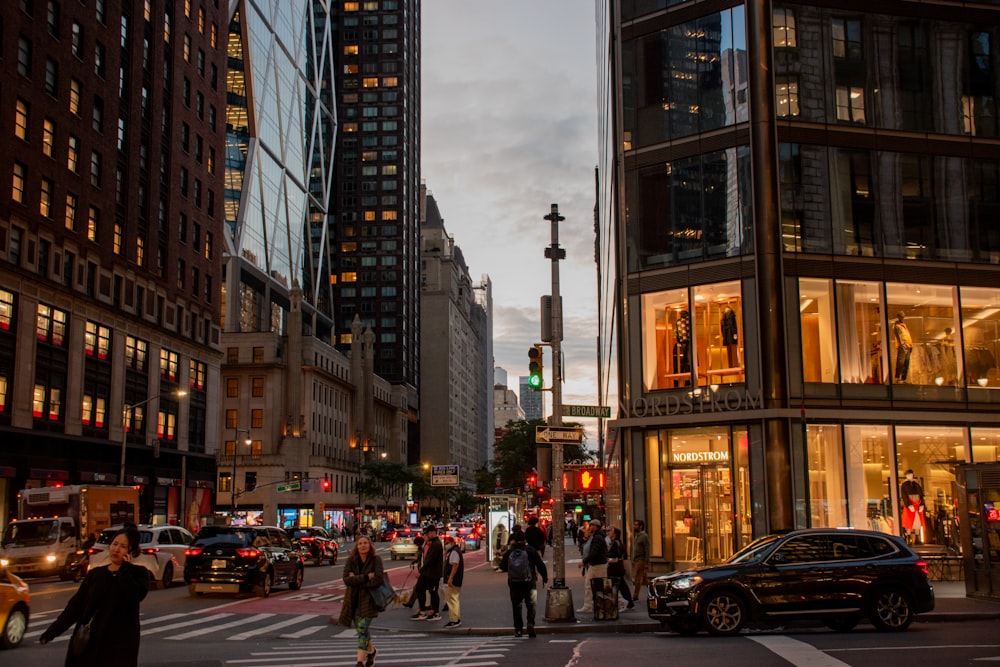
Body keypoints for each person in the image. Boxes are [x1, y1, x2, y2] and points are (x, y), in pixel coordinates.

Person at [39, 524, 148, 666]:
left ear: (131, 551)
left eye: (123, 546)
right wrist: (51, 633)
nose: (116, 549)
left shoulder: (138, 574)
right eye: (114, 544)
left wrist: (125, 570)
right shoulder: (96, 574)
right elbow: (75, 607)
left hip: (119, 647)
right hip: (91, 642)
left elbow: (135, 595)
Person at [336, 535, 384, 667]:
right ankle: (372, 652)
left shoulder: (376, 560)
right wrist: (365, 577)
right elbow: (346, 579)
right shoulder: (351, 560)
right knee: (362, 630)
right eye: (360, 543)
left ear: (370, 545)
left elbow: (379, 579)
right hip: (353, 600)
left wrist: (357, 581)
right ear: (356, 546)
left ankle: (359, 662)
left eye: (365, 543)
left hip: (369, 600)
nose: (363, 545)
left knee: (362, 629)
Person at [499, 528, 547, 638]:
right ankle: (530, 623)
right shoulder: (530, 550)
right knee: (531, 604)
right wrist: (545, 578)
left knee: (516, 606)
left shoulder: (510, 552)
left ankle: (518, 629)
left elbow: (502, 566)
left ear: (515, 541)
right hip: (529, 582)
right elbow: (540, 565)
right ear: (525, 540)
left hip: (514, 583)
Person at [410, 524, 443, 621]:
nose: (426, 536)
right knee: (419, 589)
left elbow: (430, 560)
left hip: (433, 574)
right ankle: (422, 611)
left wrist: (421, 571)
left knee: (433, 592)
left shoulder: (436, 544)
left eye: (427, 534)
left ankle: (436, 612)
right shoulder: (430, 543)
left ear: (433, 533)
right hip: (426, 573)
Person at [576, 518, 608, 614]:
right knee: (600, 585)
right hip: (598, 564)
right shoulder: (597, 536)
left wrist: (584, 562)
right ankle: (596, 604)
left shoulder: (597, 538)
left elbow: (594, 552)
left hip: (597, 564)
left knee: (589, 585)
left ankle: (588, 606)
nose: (589, 527)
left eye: (591, 525)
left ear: (595, 526)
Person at [607, 527, 635, 609]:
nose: (608, 532)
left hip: (615, 567)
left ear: (615, 534)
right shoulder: (616, 542)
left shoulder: (616, 543)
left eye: (610, 531)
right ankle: (628, 601)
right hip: (618, 566)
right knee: (622, 585)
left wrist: (607, 554)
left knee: (615, 584)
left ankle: (622, 602)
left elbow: (617, 553)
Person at [442, 535, 464, 628]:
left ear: (452, 543)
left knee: (451, 599)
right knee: (454, 599)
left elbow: (455, 565)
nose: (446, 545)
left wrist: (450, 578)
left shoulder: (454, 552)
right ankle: (456, 618)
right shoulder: (454, 551)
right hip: (456, 579)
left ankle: (454, 620)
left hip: (452, 580)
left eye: (447, 543)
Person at [631, 519, 651, 601]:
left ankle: (635, 595)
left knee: (638, 578)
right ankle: (653, 588)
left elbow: (647, 549)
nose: (634, 526)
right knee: (645, 579)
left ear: (641, 526)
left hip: (641, 560)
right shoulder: (637, 536)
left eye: (636, 525)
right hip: (636, 560)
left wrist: (646, 562)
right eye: (634, 525)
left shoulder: (644, 536)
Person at [892, 312, 913, 382]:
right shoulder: (897, 326)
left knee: (906, 363)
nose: (902, 318)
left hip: (908, 346)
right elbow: (898, 337)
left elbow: (907, 336)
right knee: (900, 363)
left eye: (903, 317)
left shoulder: (904, 326)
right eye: (901, 317)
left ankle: (903, 378)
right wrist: (902, 345)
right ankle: (897, 377)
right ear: (898, 317)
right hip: (903, 347)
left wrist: (910, 345)